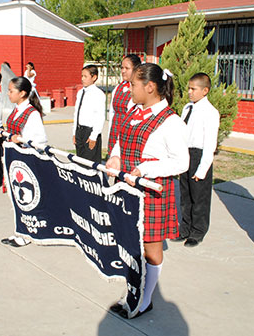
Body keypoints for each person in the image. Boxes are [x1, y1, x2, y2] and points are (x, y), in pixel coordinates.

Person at [106, 63, 189, 319]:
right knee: (130, 244)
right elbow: (121, 140)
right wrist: (116, 158)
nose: (128, 88)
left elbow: (181, 162)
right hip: (128, 190)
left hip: (152, 192)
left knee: (151, 250)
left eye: (133, 84)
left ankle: (145, 299)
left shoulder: (171, 122)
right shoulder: (135, 111)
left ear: (150, 87)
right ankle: (132, 290)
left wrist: (143, 170)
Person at [0, 77, 47, 247]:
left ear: (22, 93)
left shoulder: (31, 113)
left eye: (11, 91)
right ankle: (20, 230)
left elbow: (40, 140)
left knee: (26, 198)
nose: (8, 93)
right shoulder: (16, 109)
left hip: (26, 161)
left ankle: (26, 234)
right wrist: (3, 132)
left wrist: (21, 139)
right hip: (14, 159)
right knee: (16, 197)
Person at [174, 73, 220, 248]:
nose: (190, 92)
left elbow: (210, 144)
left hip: (199, 156)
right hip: (185, 153)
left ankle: (197, 231)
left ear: (205, 90)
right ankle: (185, 228)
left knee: (199, 196)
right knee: (185, 194)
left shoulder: (210, 112)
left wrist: (202, 169)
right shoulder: (188, 108)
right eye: (189, 89)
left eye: (193, 89)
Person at [108, 54, 142, 155]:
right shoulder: (118, 87)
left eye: (127, 68)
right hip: (115, 131)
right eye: (122, 68)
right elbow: (112, 113)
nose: (123, 71)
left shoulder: (139, 90)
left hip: (128, 134)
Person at [72, 64, 105, 163]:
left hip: (90, 133)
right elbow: (76, 113)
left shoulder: (98, 94)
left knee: (90, 162)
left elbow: (99, 117)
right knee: (80, 161)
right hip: (80, 131)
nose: (82, 79)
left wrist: (93, 136)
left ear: (94, 77)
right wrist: (74, 132)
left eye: (85, 76)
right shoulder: (80, 92)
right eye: (82, 76)